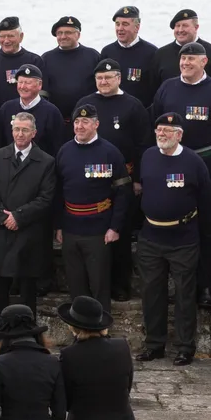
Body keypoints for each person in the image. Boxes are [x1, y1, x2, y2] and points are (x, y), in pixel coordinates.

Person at [151, 42, 211, 308]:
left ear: (204, 62)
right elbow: (154, 125)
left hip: (206, 164)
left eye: (192, 58)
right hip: (170, 163)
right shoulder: (167, 88)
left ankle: (205, 286)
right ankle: (176, 286)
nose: (186, 63)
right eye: (183, 59)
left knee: (206, 227)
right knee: (172, 222)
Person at [135, 113, 211, 366]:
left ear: (179, 134)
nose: (161, 134)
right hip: (151, 236)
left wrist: (206, 239)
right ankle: (154, 344)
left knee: (184, 293)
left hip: (183, 238)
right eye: (159, 129)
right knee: (151, 292)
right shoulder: (148, 156)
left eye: (167, 131)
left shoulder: (193, 162)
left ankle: (184, 347)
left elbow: (206, 203)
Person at [73, 59, 150, 301]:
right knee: (95, 236)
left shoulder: (133, 105)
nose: (104, 82)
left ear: (119, 78)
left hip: (123, 179)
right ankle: (91, 289)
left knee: (121, 233)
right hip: (92, 179)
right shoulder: (86, 103)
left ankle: (120, 285)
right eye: (100, 78)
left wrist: (137, 179)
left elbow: (143, 144)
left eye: (108, 78)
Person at [0, 113, 57, 349]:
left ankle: (27, 337)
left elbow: (46, 198)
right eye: (16, 129)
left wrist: (19, 216)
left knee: (27, 292)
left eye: (25, 130)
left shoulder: (45, 161)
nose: (20, 134)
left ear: (34, 133)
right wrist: (2, 217)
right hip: (2, 231)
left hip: (29, 234)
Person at [54, 103, 131, 312]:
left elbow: (123, 193)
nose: (79, 126)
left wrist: (115, 227)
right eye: (77, 122)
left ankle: (101, 332)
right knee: (76, 285)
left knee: (99, 286)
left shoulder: (110, 152)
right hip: (71, 228)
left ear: (96, 124)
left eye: (85, 122)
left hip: (99, 228)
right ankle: (80, 331)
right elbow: (58, 191)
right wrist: (59, 225)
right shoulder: (65, 151)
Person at [0, 64, 67, 156]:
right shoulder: (7, 108)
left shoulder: (52, 112)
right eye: (20, 82)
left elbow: (57, 147)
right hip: (10, 165)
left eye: (27, 83)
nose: (22, 86)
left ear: (39, 85)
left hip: (41, 167)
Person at [148, 9, 211, 90]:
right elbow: (153, 89)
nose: (180, 30)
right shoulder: (161, 55)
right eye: (177, 26)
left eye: (185, 25)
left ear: (196, 27)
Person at [0, 17, 46, 110]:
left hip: (29, 117)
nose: (6, 41)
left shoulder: (34, 61)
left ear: (21, 36)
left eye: (10, 36)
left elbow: (43, 93)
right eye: (2, 36)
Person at [42, 15, 100, 121]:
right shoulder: (46, 58)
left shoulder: (93, 56)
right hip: (57, 120)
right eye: (59, 33)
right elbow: (42, 92)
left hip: (87, 119)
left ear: (78, 35)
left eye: (68, 32)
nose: (63, 36)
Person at [100, 6, 159, 106]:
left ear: (137, 27)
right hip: (112, 108)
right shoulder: (107, 52)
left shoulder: (151, 52)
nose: (120, 29)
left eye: (125, 24)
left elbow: (155, 88)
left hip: (140, 111)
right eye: (117, 24)